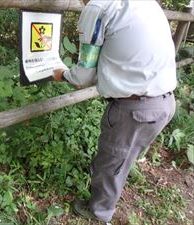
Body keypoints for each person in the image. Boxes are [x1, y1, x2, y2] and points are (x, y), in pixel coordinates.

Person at [53, 0, 177, 224]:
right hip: (165, 103)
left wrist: (62, 73)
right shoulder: (146, 3)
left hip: (135, 110)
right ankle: (113, 177)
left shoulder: (97, 8)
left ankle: (100, 213)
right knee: (122, 157)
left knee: (111, 164)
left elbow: (83, 77)